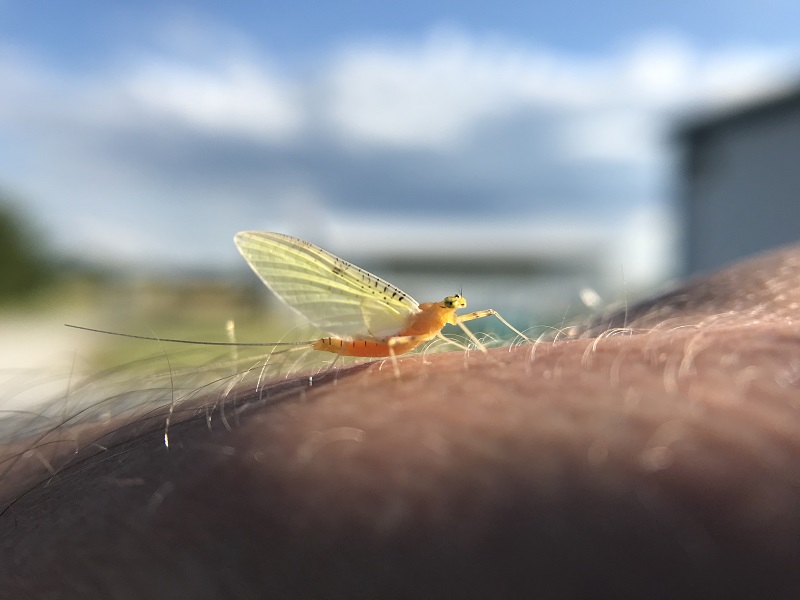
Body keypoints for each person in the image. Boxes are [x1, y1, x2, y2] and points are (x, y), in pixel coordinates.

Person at [3, 243, 800, 598]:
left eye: (451, 308)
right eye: (450, 307)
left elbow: (445, 337)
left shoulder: (438, 321)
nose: (454, 313)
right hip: (357, 343)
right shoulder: (407, 318)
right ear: (437, 310)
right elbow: (413, 350)